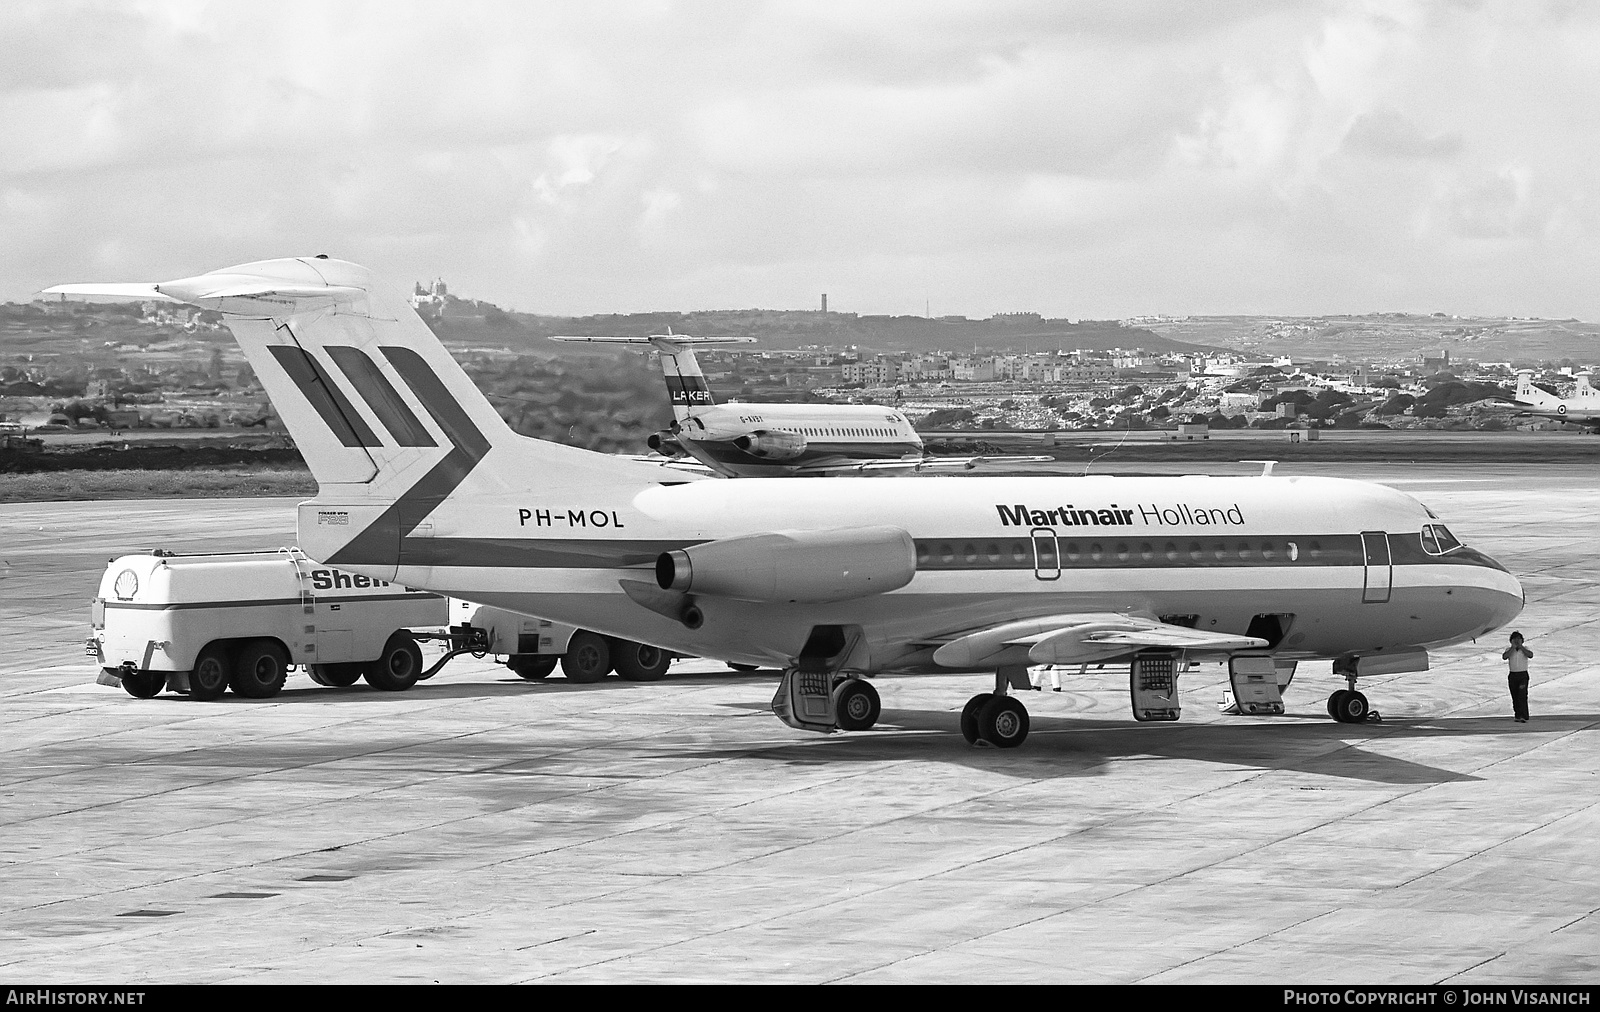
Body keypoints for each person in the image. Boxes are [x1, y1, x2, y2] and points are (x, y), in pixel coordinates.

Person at [1501, 631, 1533, 722]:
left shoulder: (1525, 649)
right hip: (1513, 675)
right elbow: (1504, 656)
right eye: (1514, 639)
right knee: (1515, 695)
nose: (1517, 641)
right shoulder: (1509, 650)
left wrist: (1521, 647)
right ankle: (1517, 714)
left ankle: (1524, 715)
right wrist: (1513, 648)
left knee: (1522, 695)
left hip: (1522, 675)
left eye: (1519, 639)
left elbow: (1530, 655)